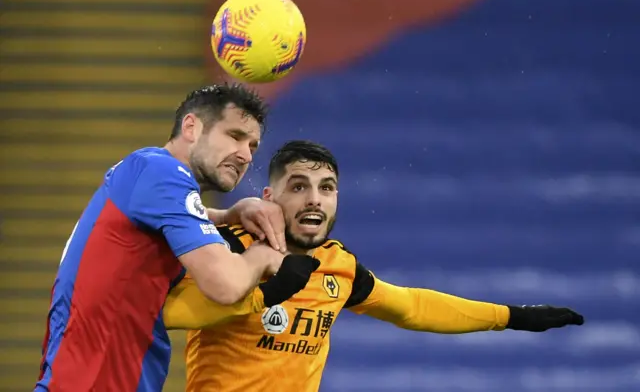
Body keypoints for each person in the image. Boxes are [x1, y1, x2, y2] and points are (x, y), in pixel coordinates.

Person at [162, 140, 585, 392]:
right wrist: (264, 294)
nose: (314, 199)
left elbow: (411, 307)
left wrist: (510, 317)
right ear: (270, 198)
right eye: (299, 186)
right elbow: (171, 313)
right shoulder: (225, 249)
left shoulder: (339, 267)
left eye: (326, 188)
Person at [35, 85, 319, 392]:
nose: (245, 154)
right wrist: (265, 255)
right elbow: (225, 284)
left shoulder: (148, 174)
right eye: (235, 136)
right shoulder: (162, 171)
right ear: (191, 127)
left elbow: (171, 217)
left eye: (252, 145)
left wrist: (227, 215)